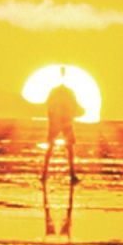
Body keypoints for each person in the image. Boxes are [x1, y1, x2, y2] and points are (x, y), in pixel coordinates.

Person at [39, 71, 81, 201]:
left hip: (57, 121)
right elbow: (74, 107)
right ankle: (72, 174)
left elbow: (49, 107)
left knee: (51, 148)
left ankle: (44, 174)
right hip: (65, 121)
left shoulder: (55, 92)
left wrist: (52, 120)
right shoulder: (68, 92)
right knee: (68, 148)